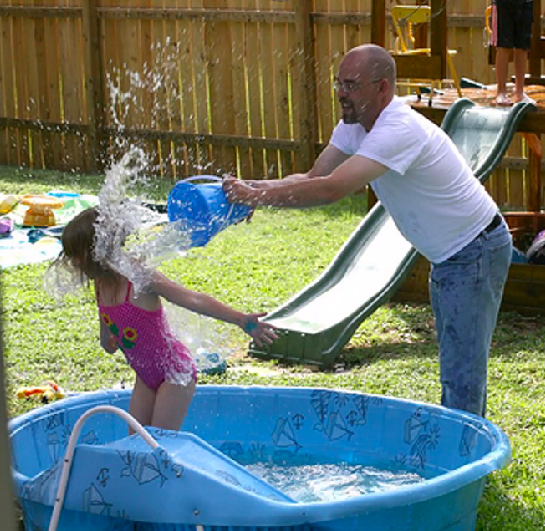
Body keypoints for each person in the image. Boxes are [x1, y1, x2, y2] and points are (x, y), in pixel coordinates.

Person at [223, 44, 513, 417]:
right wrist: (252, 190)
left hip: (475, 251)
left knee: (461, 375)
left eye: (352, 85)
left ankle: (468, 465)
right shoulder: (354, 123)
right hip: (449, 255)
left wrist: (257, 198)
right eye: (338, 83)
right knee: (456, 365)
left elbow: (331, 190)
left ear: (383, 89)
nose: (342, 93)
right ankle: (460, 449)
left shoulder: (398, 128)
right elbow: (314, 177)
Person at [54, 207, 277, 431]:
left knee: (159, 443)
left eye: (75, 256)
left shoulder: (140, 278)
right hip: (144, 376)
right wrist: (107, 340)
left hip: (174, 372)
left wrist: (240, 319)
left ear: (94, 251)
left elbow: (193, 299)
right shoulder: (101, 285)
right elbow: (108, 335)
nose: (72, 264)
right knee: (136, 444)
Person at [492, 0, 534, 105]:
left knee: (522, 47)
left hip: (525, 2)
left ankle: (519, 92)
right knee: (503, 46)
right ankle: (501, 92)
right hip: (504, 3)